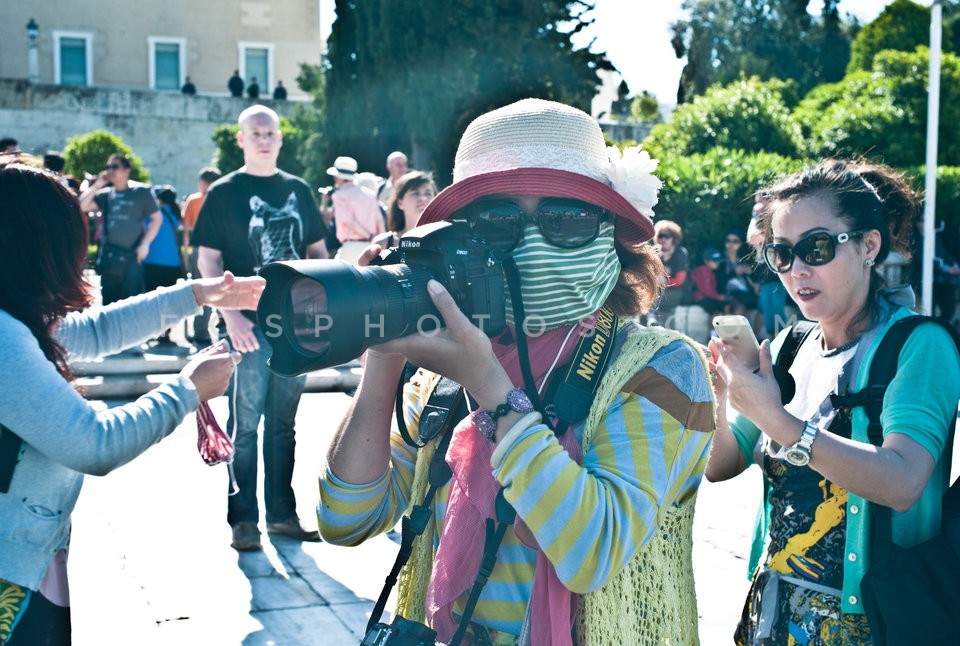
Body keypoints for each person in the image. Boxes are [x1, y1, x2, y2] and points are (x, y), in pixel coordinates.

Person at [318, 98, 715, 644]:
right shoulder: (445, 371)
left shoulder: (665, 366)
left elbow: (592, 552)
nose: (532, 241)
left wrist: (490, 387)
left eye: (566, 217)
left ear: (611, 233)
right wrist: (383, 351)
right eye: (497, 221)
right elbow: (346, 519)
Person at [0, 159, 264, 645]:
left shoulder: (15, 315)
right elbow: (92, 443)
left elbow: (98, 331)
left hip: (28, 555)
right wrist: (188, 389)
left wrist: (199, 294)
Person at [706, 159, 960, 644]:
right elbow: (722, 465)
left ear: (869, 245)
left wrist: (781, 425)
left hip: (873, 620)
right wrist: (724, 395)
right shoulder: (787, 347)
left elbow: (903, 480)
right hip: (771, 613)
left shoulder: (920, 346)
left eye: (817, 247)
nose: (798, 269)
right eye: (780, 254)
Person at [193, 104, 329, 551]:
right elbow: (208, 261)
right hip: (245, 327)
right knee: (245, 425)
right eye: (255, 133)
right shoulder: (224, 192)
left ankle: (282, 516)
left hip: (295, 328)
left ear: (280, 137)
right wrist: (230, 317)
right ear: (241, 139)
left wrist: (325, 311)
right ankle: (244, 520)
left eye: (270, 132)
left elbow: (317, 253)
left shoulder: (299, 190)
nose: (264, 139)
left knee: (284, 427)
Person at [79, 153, 163, 305]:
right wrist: (97, 185)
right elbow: (81, 206)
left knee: (131, 305)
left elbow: (157, 219)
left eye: (115, 166)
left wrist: (145, 244)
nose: (110, 170)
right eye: (108, 167)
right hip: (110, 256)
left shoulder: (141, 192)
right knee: (109, 305)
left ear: (127, 170)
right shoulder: (105, 195)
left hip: (133, 256)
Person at [182, 167, 223, 344]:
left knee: (201, 289)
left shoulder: (194, 200)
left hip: (200, 249)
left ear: (204, 183)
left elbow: (186, 227)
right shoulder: (225, 200)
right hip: (223, 250)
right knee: (225, 287)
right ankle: (224, 326)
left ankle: (201, 331)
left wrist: (185, 250)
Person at [143, 185, 186, 347]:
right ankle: (165, 333)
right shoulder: (175, 214)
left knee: (151, 300)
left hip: (152, 262)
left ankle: (151, 332)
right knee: (168, 301)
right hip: (173, 264)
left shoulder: (152, 215)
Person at [321, 155, 384, 263]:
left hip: (351, 248)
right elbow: (380, 221)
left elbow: (348, 222)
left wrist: (368, 235)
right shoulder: (370, 194)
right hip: (373, 248)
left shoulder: (339, 195)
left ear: (338, 177)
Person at [372, 170, 436, 248]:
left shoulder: (443, 241)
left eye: (428, 194)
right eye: (415, 193)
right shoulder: (382, 244)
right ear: (400, 203)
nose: (423, 198)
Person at [649, 219, 689, 326]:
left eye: (666, 236)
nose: (663, 239)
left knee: (652, 300)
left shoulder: (680, 253)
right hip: (657, 290)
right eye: (660, 236)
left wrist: (664, 282)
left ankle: (651, 321)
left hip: (676, 292)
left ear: (673, 238)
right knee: (648, 299)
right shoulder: (654, 252)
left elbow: (680, 280)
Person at [690, 247, 727, 315]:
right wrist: (718, 297)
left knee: (726, 307)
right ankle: (713, 325)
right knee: (715, 312)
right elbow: (706, 289)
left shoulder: (710, 271)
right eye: (714, 261)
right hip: (700, 298)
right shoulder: (703, 270)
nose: (717, 263)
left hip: (708, 297)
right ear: (706, 261)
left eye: (718, 260)